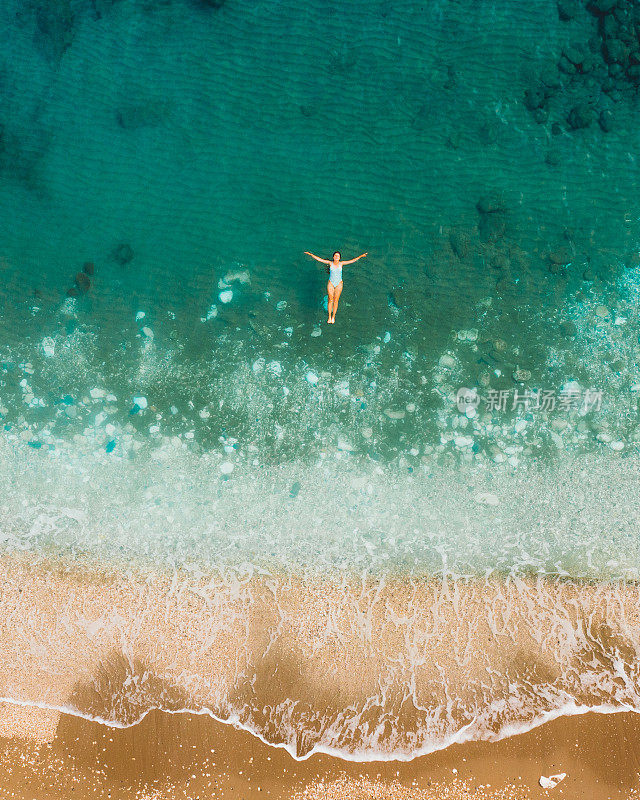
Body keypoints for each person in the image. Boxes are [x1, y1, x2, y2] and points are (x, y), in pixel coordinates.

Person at [303, 250, 368, 323]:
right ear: (333, 257)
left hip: (339, 284)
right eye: (335, 255)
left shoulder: (341, 263)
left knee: (336, 300)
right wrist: (311, 254)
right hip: (331, 283)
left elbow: (352, 261)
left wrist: (361, 256)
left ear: (340, 258)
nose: (337, 256)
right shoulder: (330, 263)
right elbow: (320, 259)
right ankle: (329, 316)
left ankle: (333, 316)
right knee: (330, 300)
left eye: (338, 256)